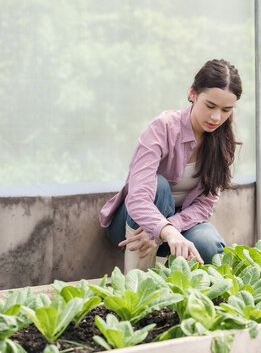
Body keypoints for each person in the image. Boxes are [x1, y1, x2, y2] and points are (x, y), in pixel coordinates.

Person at [99, 59, 242, 272]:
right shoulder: (163, 128)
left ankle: (180, 295)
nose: (216, 117)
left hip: (176, 229)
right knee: (159, 185)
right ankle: (136, 286)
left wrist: (171, 227)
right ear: (193, 94)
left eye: (226, 110)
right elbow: (138, 198)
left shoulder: (223, 143)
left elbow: (205, 205)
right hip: (129, 226)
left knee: (207, 243)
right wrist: (163, 228)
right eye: (210, 106)